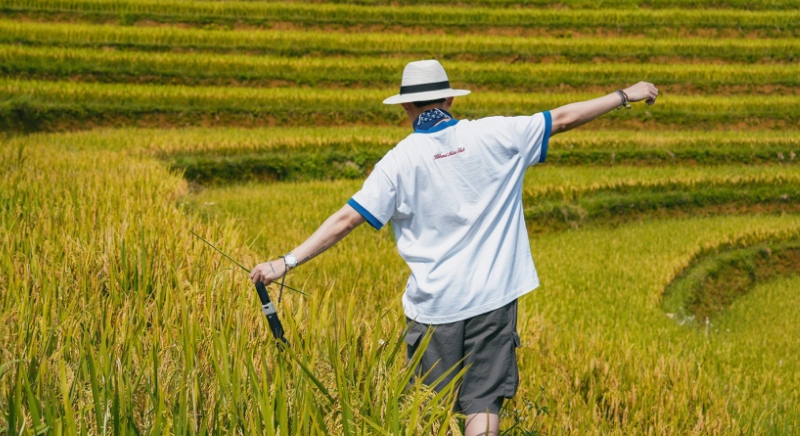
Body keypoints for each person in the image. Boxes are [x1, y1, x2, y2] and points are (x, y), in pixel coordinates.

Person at [250, 59, 658, 435]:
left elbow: (347, 219)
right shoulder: (494, 133)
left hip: (435, 307)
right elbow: (564, 118)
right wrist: (626, 95)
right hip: (493, 298)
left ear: (406, 107)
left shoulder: (398, 161)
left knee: (432, 408)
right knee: (482, 403)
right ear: (449, 100)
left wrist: (285, 262)